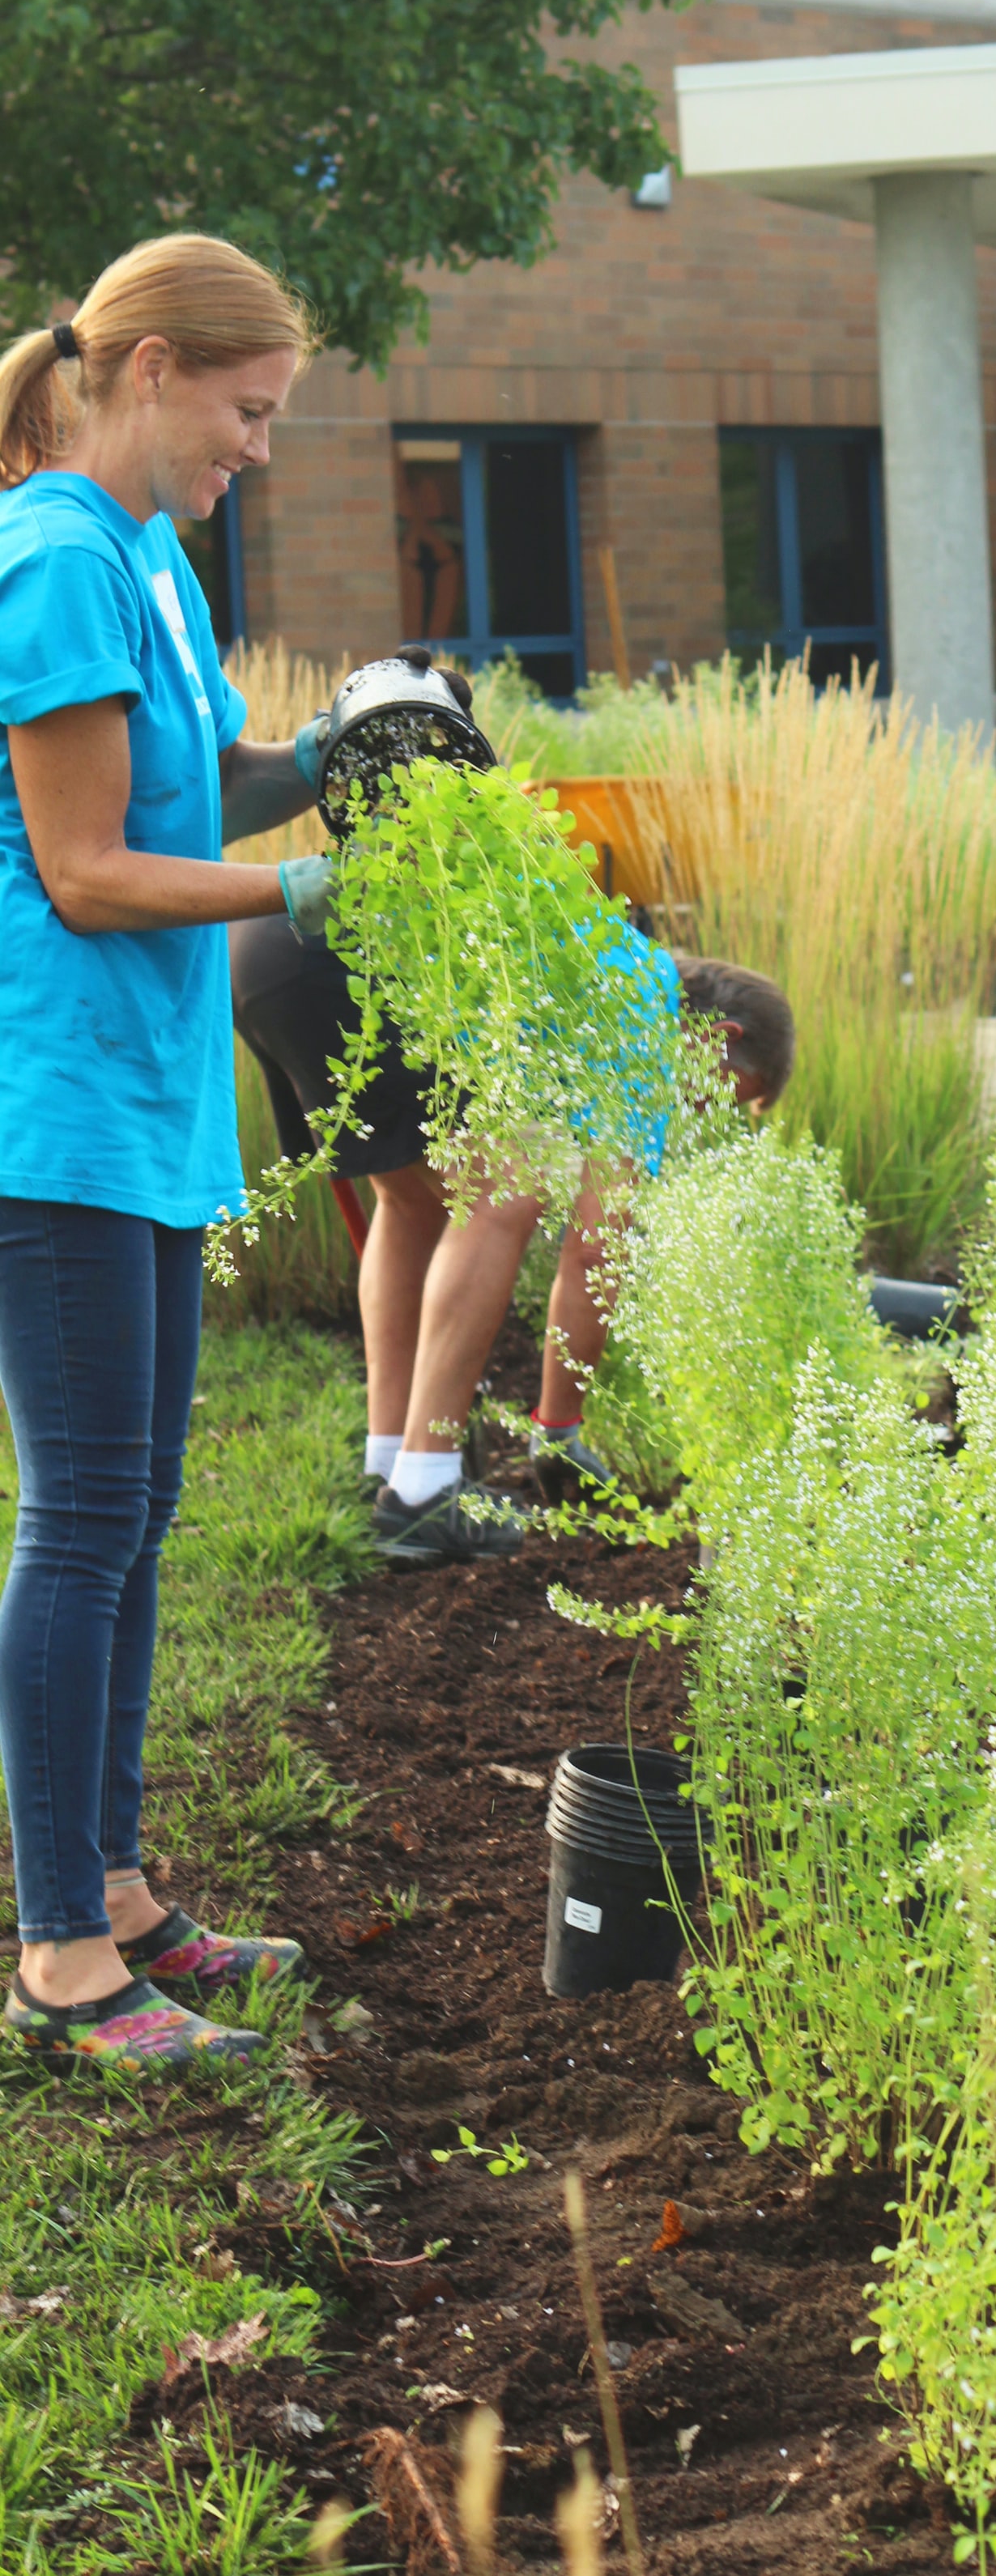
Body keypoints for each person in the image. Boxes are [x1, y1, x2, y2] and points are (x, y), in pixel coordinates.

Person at [0, 234, 350, 2070]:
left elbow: (195, 781)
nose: (260, 448)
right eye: (245, 408)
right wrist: (306, 882)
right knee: (76, 1521)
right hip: (46, 1106)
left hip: (142, 1106)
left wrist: (351, 750)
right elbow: (84, 869)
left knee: (131, 1513)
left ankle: (118, 1884)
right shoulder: (53, 553)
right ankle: (59, 1949)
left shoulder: (149, 550)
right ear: (144, 368)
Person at [230, 916, 794, 1563]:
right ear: (718, 1037)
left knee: (413, 1203)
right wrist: (558, 1430)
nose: (695, 1111)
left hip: (272, 945)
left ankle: (391, 1472)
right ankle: (425, 1494)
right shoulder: (643, 1008)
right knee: (513, 1179)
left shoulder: (607, 956)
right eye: (717, 1094)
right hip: (347, 957)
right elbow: (595, 1248)